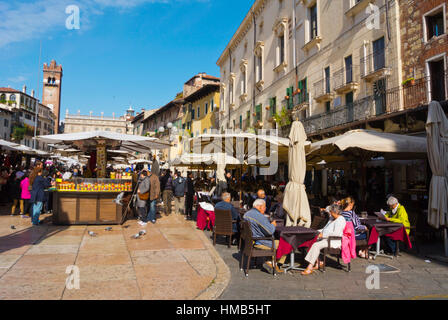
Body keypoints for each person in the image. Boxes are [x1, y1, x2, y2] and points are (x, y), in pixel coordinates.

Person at [301, 204, 346, 275]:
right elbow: (325, 229)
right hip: (325, 238)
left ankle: (310, 267)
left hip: (332, 241)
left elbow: (336, 234)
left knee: (316, 245)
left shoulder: (341, 220)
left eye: (331, 212)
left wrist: (323, 235)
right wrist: (316, 232)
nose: (330, 213)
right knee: (310, 241)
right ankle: (318, 262)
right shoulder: (332, 218)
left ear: (336, 212)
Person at [243, 199, 286, 274]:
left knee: (281, 241)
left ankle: (271, 261)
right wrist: (273, 225)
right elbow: (270, 231)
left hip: (251, 241)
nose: (265, 208)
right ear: (259, 207)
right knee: (285, 243)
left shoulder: (247, 214)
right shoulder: (259, 216)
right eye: (264, 207)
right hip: (260, 241)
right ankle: (272, 263)